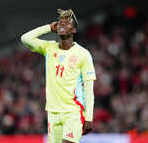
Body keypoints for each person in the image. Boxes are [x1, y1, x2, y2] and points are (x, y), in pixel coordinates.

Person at [21, 9, 96, 143]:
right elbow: (25, 38)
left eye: (67, 23)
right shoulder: (49, 48)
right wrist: (48, 27)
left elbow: (89, 90)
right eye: (60, 23)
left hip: (73, 112)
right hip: (53, 112)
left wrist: (89, 117)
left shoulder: (83, 54)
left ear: (74, 30)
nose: (62, 25)